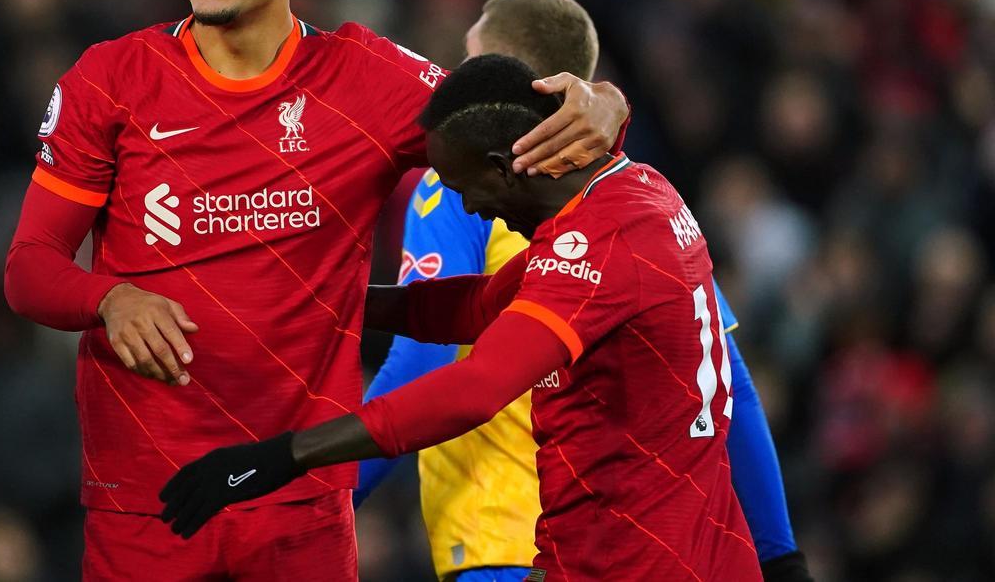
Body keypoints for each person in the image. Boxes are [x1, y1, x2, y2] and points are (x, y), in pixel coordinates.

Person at [2, 0, 628, 580]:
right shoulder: (111, 80)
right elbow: (29, 269)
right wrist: (109, 299)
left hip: (299, 507)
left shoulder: (367, 80)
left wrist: (604, 101)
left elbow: (520, 113)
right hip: (147, 498)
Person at [158, 54, 763, 581]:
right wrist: (312, 298)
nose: (471, 207)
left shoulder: (600, 246)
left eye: (463, 187)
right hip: (653, 554)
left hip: (637, 566)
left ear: (504, 165)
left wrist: (284, 456)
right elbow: (474, 308)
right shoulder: (633, 194)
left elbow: (475, 389)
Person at [357, 0, 812, 582]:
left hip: (502, 541)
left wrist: (320, 499)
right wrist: (780, 554)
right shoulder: (635, 196)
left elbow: (422, 361)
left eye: (470, 62)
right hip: (623, 541)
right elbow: (728, 382)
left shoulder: (451, 190)